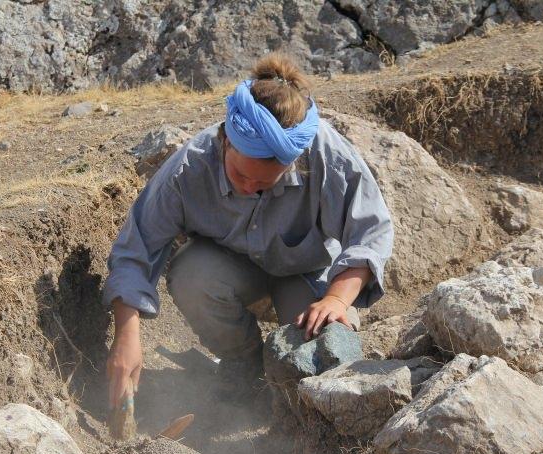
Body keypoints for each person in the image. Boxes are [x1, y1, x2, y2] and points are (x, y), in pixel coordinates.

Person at [103, 53, 394, 409]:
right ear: (225, 140)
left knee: (322, 350)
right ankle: (244, 367)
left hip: (305, 275)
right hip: (230, 271)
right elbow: (136, 251)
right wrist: (126, 336)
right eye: (240, 176)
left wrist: (336, 300)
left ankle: (291, 407)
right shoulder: (189, 169)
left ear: (293, 162)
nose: (249, 188)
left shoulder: (324, 154)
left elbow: (371, 233)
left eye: (264, 183)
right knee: (192, 275)